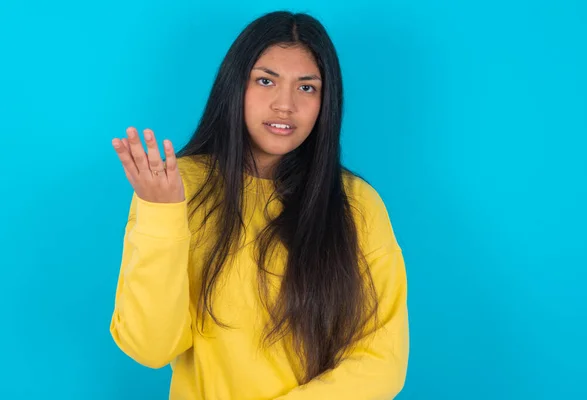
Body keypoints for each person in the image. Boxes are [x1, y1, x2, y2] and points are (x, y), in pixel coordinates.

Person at [109, 10, 409, 400]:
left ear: (326, 102)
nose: (285, 105)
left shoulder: (356, 203)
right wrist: (161, 215)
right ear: (235, 86)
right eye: (266, 81)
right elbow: (150, 347)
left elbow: (381, 363)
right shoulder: (176, 187)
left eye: (306, 88)